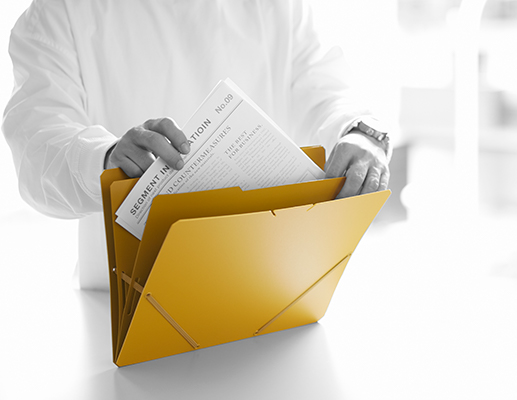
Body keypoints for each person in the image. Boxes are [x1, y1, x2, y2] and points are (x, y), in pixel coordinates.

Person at [2, 0, 392, 290]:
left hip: (269, 289)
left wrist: (359, 132)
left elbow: (326, 88)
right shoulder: (62, 10)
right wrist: (104, 157)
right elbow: (37, 138)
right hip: (119, 303)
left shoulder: (279, 6)